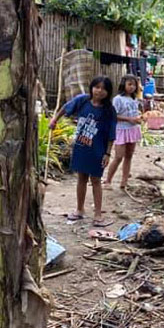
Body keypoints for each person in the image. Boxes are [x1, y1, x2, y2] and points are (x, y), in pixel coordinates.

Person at [50, 76, 116, 226]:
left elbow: (112, 134)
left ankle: (98, 214)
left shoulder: (109, 110)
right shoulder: (83, 100)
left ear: (108, 92)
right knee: (81, 178)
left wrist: (107, 153)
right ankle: (80, 210)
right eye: (97, 87)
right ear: (92, 87)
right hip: (81, 148)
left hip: (98, 150)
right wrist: (54, 120)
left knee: (96, 180)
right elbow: (66, 107)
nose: (99, 91)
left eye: (104, 88)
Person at [105, 75, 142, 191]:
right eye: (129, 84)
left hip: (132, 129)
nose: (132, 87)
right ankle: (108, 181)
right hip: (121, 130)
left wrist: (139, 118)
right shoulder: (118, 99)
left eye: (134, 85)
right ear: (124, 85)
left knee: (129, 156)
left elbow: (134, 113)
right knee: (119, 157)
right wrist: (129, 119)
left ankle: (124, 181)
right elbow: (113, 116)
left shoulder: (134, 99)